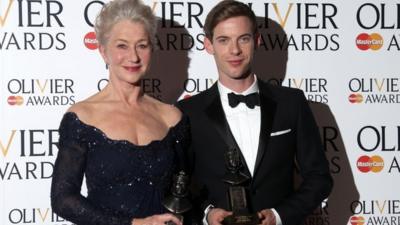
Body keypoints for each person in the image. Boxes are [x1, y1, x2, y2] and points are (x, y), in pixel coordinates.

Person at [177, 1, 333, 225]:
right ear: (209, 45)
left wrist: (279, 215)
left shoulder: (292, 103)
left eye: (244, 38)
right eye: (223, 40)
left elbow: (319, 179)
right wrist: (207, 213)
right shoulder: (188, 112)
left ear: (257, 41)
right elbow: (176, 185)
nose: (235, 50)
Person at [50, 0, 189, 225]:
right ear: (104, 51)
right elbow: (63, 200)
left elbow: (185, 191)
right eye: (122, 46)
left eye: (142, 45)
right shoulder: (82, 117)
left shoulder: (172, 118)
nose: (133, 57)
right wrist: (133, 224)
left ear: (151, 50)